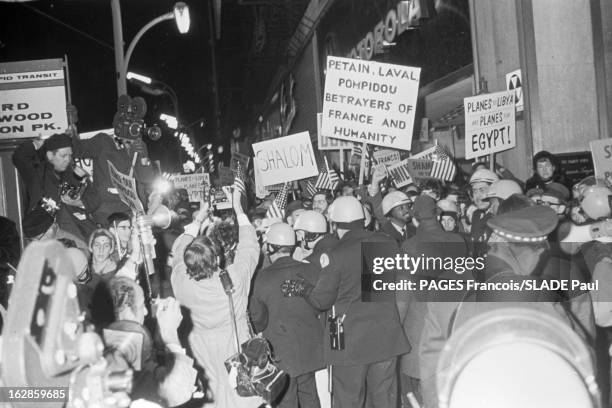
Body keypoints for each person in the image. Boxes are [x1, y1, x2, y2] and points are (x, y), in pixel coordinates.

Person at [281, 196, 410, 408]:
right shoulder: (388, 243)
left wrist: (301, 288)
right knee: (384, 399)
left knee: (348, 399)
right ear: (363, 220)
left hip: (349, 343)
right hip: (386, 336)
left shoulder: (336, 254)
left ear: (335, 224)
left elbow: (321, 301)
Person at [170, 189, 263, 408]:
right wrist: (239, 209)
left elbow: (178, 251)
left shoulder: (180, 281)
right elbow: (250, 247)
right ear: (218, 258)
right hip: (236, 352)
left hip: (201, 352)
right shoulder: (235, 279)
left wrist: (198, 218)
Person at [396, 195, 469, 407]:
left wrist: (396, 329)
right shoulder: (458, 241)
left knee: (420, 397)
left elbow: (402, 296)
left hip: (420, 334)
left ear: (415, 219)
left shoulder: (410, 246)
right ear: (438, 215)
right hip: (454, 329)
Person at [250, 223, 324, 407]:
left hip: (280, 352)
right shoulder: (312, 270)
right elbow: (320, 306)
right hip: (309, 348)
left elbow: (258, 320)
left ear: (271, 247)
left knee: (285, 400)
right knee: (310, 396)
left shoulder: (260, 278)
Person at [105, 277, 199, 407]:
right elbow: (178, 394)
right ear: (126, 312)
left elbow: (65, 391)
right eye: (142, 305)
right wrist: (170, 335)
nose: (146, 311)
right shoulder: (126, 365)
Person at [12, 132, 97, 249]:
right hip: (44, 233)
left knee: (84, 251)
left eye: (70, 155)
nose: (68, 159)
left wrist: (79, 202)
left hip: (74, 229)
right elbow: (19, 157)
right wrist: (38, 142)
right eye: (63, 156)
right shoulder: (37, 173)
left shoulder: (75, 174)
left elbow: (94, 200)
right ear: (50, 155)